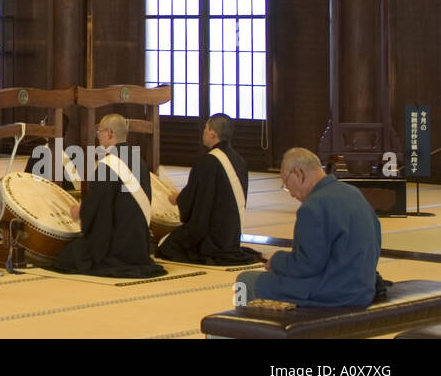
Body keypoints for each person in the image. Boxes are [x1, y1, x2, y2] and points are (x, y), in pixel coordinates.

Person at [236, 148, 381, 307]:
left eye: (287, 184)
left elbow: (306, 266)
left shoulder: (313, 206)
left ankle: (244, 327)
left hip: (334, 292)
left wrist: (276, 261)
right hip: (363, 289)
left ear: (298, 173)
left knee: (245, 281)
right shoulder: (353, 192)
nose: (290, 193)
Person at [54, 113, 166, 278]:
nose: (98, 137)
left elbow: (99, 207)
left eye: (99, 132)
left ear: (110, 134)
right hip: (140, 246)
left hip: (116, 246)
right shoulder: (139, 161)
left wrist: (81, 212)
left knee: (67, 257)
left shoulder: (107, 166)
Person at [156, 113, 262, 265]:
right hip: (232, 233)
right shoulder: (240, 160)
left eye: (205, 129)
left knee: (165, 246)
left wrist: (178, 199)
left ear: (213, 134)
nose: (203, 132)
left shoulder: (207, 162)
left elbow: (196, 200)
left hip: (211, 234)